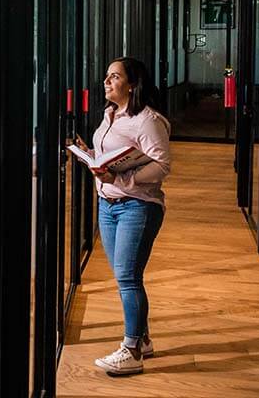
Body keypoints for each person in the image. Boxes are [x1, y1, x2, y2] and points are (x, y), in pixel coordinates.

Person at [74, 57, 171, 376]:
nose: (106, 81)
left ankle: (131, 350)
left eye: (114, 77)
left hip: (138, 206)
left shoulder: (148, 120)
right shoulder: (109, 115)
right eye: (106, 76)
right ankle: (142, 339)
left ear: (132, 84)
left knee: (128, 277)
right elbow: (112, 157)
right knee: (124, 276)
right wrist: (90, 155)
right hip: (108, 206)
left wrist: (120, 180)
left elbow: (161, 166)